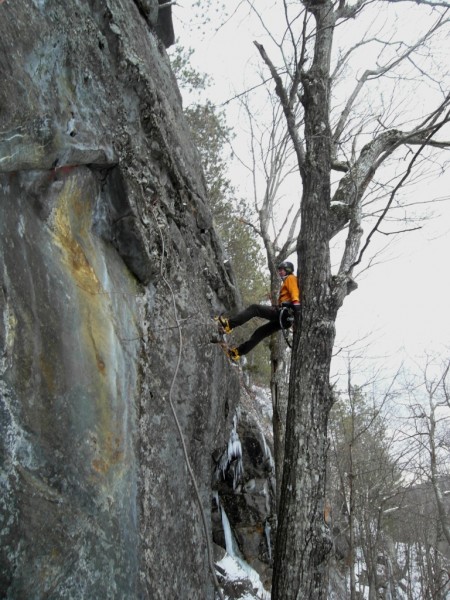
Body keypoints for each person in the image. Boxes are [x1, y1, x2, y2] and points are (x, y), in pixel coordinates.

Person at [217, 261, 300, 361]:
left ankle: (228, 325)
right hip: (286, 319)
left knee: (255, 308)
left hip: (284, 314)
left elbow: (295, 297)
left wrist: (297, 312)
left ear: (288, 270)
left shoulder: (291, 278)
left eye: (281, 270)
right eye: (279, 270)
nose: (279, 272)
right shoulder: (287, 281)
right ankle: (236, 353)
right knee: (259, 333)